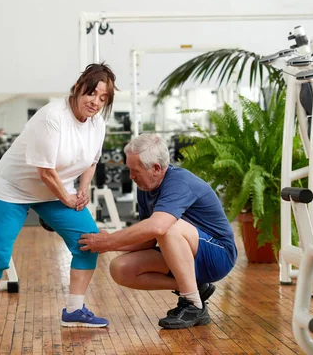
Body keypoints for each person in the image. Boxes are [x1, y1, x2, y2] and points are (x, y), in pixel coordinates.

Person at [0, 63, 118, 328]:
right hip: (14, 188)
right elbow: (45, 171)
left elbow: (91, 162)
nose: (96, 102)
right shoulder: (52, 117)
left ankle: (74, 309)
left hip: (58, 188)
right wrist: (68, 199)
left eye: (103, 98)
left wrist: (83, 189)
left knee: (89, 243)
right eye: (92, 94)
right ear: (79, 88)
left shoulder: (97, 124)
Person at [78, 133, 237, 329]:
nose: (131, 176)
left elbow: (158, 227)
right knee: (120, 268)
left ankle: (193, 305)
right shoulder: (145, 188)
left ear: (156, 168)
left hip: (218, 255)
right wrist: (106, 245)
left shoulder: (179, 182)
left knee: (168, 226)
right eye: (129, 170)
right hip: (184, 252)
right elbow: (148, 238)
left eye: (135, 171)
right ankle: (194, 289)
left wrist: (109, 240)